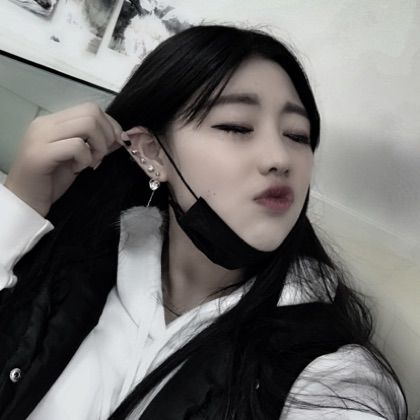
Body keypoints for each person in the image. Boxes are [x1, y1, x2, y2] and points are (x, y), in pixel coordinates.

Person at [0, 25, 407, 420]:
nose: (280, 158)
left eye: (297, 135)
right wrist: (18, 206)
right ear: (150, 153)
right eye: (237, 127)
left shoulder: (330, 378)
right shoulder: (69, 267)